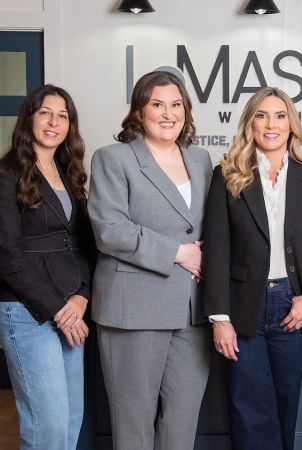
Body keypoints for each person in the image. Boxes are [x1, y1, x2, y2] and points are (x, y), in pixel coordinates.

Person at [203, 86, 302, 450]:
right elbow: (216, 250)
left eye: (280, 116)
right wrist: (220, 318)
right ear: (250, 124)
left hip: (294, 304)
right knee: (250, 411)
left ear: (292, 125)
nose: (271, 124)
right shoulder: (228, 176)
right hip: (243, 305)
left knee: (285, 407)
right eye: (261, 115)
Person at [88, 70, 213, 450]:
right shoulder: (114, 158)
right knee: (133, 419)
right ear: (139, 111)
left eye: (176, 105)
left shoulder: (201, 158)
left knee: (182, 418)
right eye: (157, 104)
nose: (168, 113)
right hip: (135, 308)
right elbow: (109, 228)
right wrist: (178, 252)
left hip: (192, 310)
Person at [0, 84, 95, 449]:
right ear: (29, 117)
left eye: (63, 116)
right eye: (45, 112)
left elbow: (82, 243)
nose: (54, 122)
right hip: (26, 312)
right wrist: (59, 309)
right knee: (46, 426)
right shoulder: (4, 174)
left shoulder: (69, 173)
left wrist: (80, 298)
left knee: (71, 419)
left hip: (70, 308)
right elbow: (8, 256)